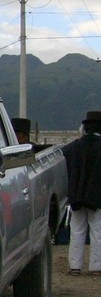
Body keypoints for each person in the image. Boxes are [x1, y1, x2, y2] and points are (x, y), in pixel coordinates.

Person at [61, 110, 101, 277]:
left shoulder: (73, 147)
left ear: (85, 128)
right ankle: (96, 267)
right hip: (98, 197)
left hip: (76, 195)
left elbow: (60, 157)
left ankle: (75, 266)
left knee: (76, 230)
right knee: (98, 232)